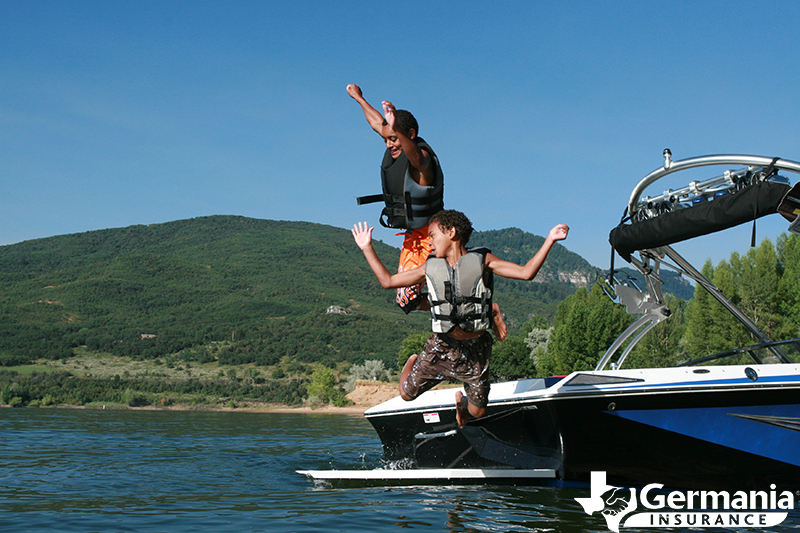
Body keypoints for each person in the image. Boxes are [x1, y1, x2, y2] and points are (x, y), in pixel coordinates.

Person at [351, 210, 569, 428]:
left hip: (476, 346)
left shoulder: (482, 260)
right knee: (406, 394)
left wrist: (550, 239)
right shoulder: (430, 266)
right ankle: (412, 360)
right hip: (443, 344)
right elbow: (388, 281)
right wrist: (366, 247)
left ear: (452, 233)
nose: (430, 242)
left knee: (478, 411)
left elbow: (526, 272)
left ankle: (463, 402)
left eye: (433, 235)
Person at [347, 83, 444, 314]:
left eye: (394, 139)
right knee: (405, 301)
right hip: (412, 238)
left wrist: (397, 130)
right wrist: (358, 98)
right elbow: (375, 123)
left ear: (409, 135)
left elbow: (417, 160)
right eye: (386, 140)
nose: (390, 144)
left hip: (433, 237)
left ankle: (470, 307)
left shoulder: (423, 161)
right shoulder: (393, 142)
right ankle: (454, 306)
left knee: (421, 294)